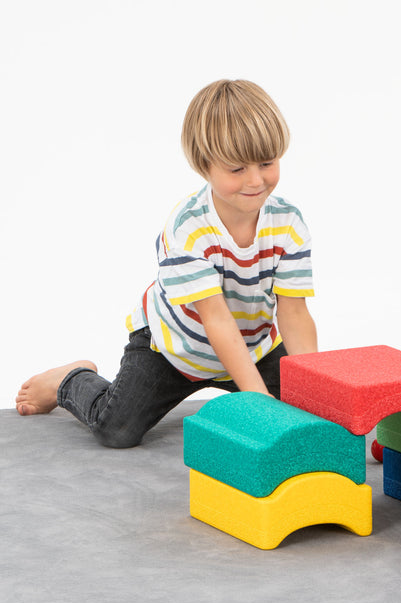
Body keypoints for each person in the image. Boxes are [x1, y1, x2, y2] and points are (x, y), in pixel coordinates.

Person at [16, 79, 317, 448]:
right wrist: (259, 401)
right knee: (116, 430)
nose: (255, 180)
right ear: (205, 165)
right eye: (237, 169)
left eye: (267, 163)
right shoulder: (187, 228)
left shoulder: (289, 223)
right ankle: (68, 381)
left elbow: (294, 313)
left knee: (307, 413)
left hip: (253, 349)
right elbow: (217, 320)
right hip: (174, 350)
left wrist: (313, 389)